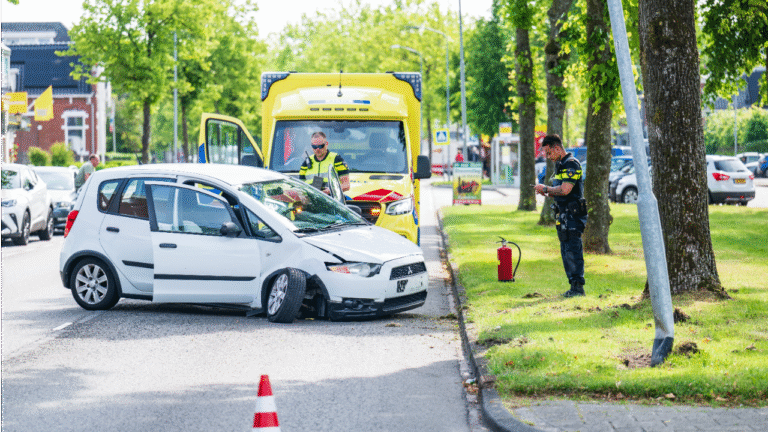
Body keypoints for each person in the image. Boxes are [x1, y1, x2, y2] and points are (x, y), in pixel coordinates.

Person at [534, 134, 588, 297]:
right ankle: (573, 286)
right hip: (563, 214)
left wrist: (546, 189)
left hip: (573, 215)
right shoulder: (561, 165)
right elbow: (559, 192)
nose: (548, 157)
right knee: (566, 251)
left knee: (573, 250)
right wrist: (547, 192)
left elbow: (565, 190)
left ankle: (578, 288)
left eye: (549, 153)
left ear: (557, 148)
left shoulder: (571, 164)